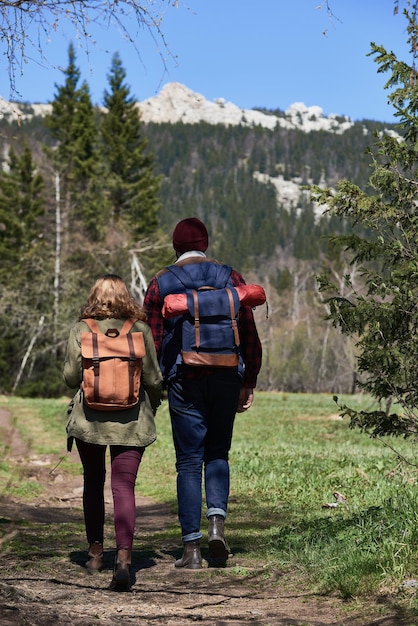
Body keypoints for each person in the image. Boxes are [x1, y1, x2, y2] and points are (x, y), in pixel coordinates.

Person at [143, 217, 262, 569]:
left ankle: (191, 550)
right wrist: (249, 379)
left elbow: (152, 338)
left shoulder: (162, 281)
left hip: (185, 379)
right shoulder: (231, 277)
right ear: (206, 245)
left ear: (176, 246)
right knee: (218, 453)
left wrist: (154, 383)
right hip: (226, 375)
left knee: (188, 461)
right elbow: (249, 333)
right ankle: (216, 525)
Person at [63, 274, 162, 591]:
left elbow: (68, 377)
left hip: (89, 423)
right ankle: (123, 559)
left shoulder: (82, 329)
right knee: (124, 486)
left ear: (94, 297)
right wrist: (153, 405)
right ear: (125, 297)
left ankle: (94, 554)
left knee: (93, 481)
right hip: (132, 421)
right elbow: (154, 379)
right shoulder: (140, 329)